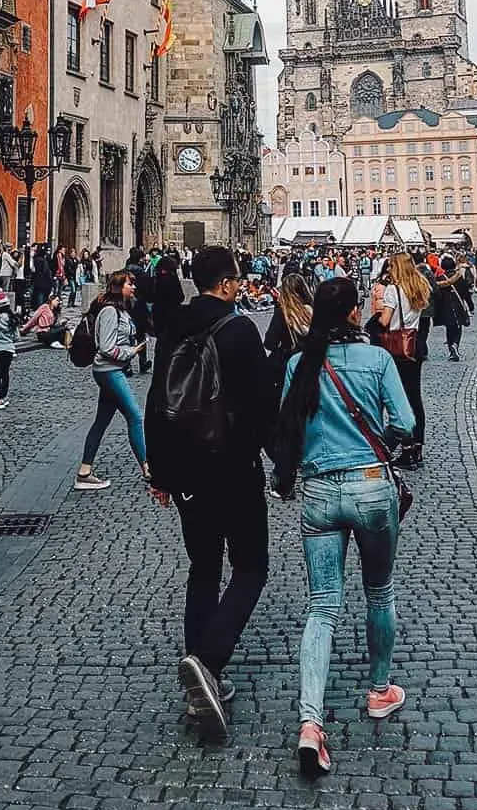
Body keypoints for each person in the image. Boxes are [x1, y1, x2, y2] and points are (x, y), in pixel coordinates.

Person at [275, 277, 414, 779]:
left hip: (318, 491)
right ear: (354, 314)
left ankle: (310, 723)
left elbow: (286, 426)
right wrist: (384, 439)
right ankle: (380, 692)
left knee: (322, 607)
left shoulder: (298, 363)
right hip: (372, 486)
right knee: (379, 591)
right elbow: (405, 422)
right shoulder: (377, 359)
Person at [144, 246, 275, 743]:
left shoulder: (172, 325)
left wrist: (159, 471)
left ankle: (202, 679)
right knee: (250, 567)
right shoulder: (240, 330)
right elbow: (265, 405)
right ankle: (208, 661)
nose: (240, 286)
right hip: (235, 469)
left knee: (202, 569)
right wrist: (281, 464)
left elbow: (159, 401)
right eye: (237, 279)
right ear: (224, 283)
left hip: (187, 476)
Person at [75, 270, 149, 491]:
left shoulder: (121, 310)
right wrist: (132, 352)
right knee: (135, 416)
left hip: (112, 370)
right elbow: (106, 347)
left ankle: (84, 472)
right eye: (129, 284)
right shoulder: (109, 311)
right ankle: (147, 469)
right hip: (109, 371)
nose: (133, 287)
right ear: (119, 287)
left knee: (101, 421)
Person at [369, 252, 430, 466]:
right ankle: (417, 447)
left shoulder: (393, 291)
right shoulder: (419, 287)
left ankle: (405, 447)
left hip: (396, 348)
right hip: (414, 346)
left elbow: (385, 321)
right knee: (415, 398)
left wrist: (374, 320)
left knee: (398, 400)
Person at [265, 268, 313, 406]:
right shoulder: (313, 309)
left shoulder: (283, 313)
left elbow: (269, 343)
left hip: (288, 364)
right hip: (312, 362)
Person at [0, 291, 20, 409]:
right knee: (5, 373)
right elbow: (17, 337)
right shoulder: (13, 320)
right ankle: (4, 397)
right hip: (10, 350)